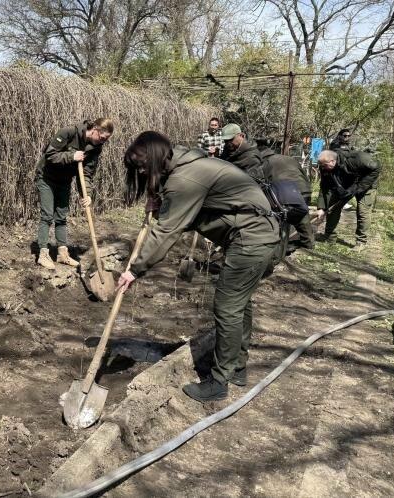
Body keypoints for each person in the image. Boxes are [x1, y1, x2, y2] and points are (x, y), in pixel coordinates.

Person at [116, 132, 279, 403]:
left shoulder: (185, 178)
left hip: (251, 238)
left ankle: (219, 382)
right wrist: (160, 203)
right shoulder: (186, 164)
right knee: (239, 303)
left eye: (143, 166)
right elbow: (191, 209)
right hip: (256, 234)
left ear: (156, 158)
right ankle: (237, 368)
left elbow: (167, 231)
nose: (141, 172)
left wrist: (134, 269)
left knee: (228, 306)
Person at [35, 118, 113, 269]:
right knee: (47, 215)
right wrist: (71, 156)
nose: (103, 142)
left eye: (106, 140)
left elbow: (86, 174)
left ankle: (62, 254)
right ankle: (42, 254)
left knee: (61, 216)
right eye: (102, 138)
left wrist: (87, 194)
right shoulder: (69, 132)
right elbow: (50, 155)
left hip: (64, 180)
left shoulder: (96, 148)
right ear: (95, 130)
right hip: (46, 177)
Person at [313, 149, 380, 246]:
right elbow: (325, 187)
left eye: (324, 165)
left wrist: (358, 187)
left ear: (332, 161)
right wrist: (321, 208)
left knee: (362, 212)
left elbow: (376, 167)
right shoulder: (325, 167)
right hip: (346, 186)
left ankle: (361, 241)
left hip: (366, 185)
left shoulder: (356, 159)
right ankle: (329, 237)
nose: (323, 168)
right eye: (321, 165)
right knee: (332, 209)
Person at [257, 139, 314, 250]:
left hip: (287, 193)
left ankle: (281, 247)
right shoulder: (288, 158)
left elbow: (262, 183)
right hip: (304, 188)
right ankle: (308, 243)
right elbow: (303, 173)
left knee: (282, 217)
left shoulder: (265, 163)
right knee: (303, 216)